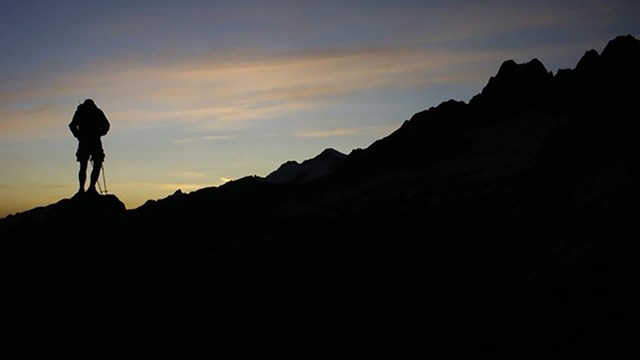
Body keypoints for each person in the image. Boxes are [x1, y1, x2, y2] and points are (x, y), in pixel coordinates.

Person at [69, 98, 110, 196]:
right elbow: (107, 126)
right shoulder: (97, 111)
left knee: (83, 166)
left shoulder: (80, 112)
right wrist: (99, 133)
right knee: (97, 164)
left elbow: (72, 125)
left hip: (84, 141)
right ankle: (90, 187)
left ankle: (82, 189)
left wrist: (79, 136)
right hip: (94, 141)